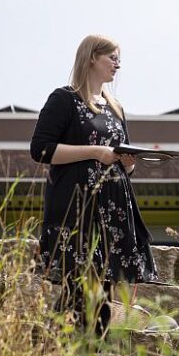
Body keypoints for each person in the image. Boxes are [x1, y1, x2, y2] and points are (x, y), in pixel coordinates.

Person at [30, 35, 156, 333]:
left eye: (118, 58)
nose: (118, 64)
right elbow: (41, 150)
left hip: (113, 211)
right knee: (85, 291)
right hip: (78, 209)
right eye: (111, 57)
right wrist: (95, 152)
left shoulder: (116, 107)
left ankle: (67, 354)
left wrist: (130, 163)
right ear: (90, 58)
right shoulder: (64, 99)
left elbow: (122, 157)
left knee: (102, 292)